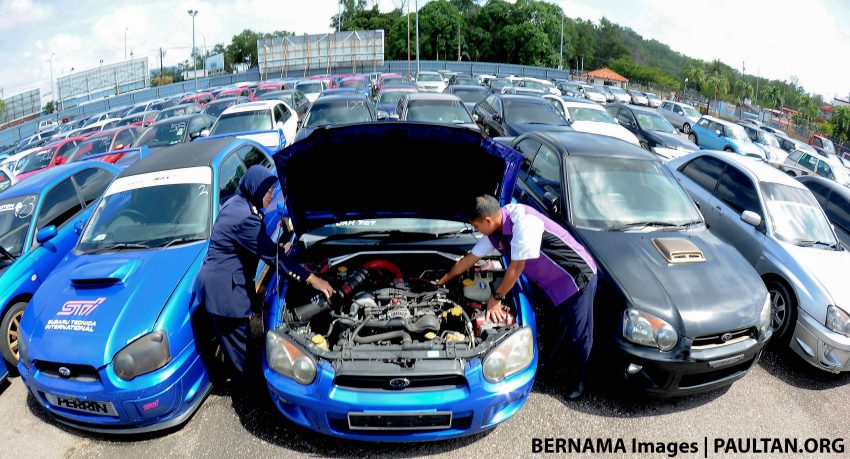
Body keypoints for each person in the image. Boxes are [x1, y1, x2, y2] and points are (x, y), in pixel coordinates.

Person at [437, 195, 597, 400]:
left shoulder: (523, 222)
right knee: (554, 325)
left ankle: (580, 379)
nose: (477, 232)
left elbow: (516, 267)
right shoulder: (495, 231)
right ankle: (550, 362)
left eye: (477, 227)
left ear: (487, 221)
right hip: (549, 282)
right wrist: (444, 279)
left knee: (579, 334)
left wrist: (496, 298)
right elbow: (470, 258)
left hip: (575, 279)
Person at [197, 165, 334, 379]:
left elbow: (260, 246)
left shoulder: (238, 203)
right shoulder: (245, 217)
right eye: (268, 191)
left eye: (272, 190)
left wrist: (280, 250)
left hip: (223, 281)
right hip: (224, 292)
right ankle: (250, 390)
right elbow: (271, 257)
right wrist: (312, 279)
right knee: (240, 349)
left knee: (241, 340)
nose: (271, 195)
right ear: (255, 188)